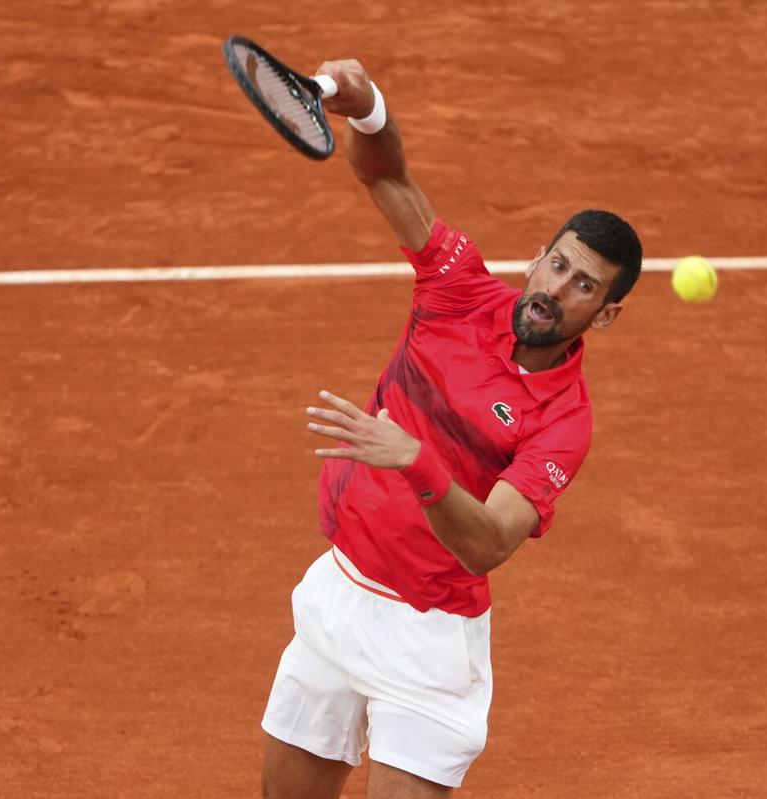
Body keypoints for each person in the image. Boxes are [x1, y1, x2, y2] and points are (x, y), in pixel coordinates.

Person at [260, 58, 643, 799]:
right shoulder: (457, 286)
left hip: (428, 641)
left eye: (584, 286)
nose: (557, 290)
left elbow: (488, 543)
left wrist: (416, 460)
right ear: (536, 259)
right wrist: (367, 107)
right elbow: (386, 176)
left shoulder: (565, 421)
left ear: (606, 314)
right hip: (339, 593)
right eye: (557, 265)